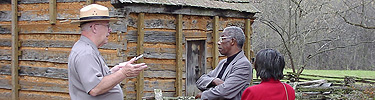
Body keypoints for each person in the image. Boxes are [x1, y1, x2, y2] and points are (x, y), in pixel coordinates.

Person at [68, 4, 147, 100]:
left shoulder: (87, 49)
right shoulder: (86, 53)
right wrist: (123, 73)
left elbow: (96, 81)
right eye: (107, 26)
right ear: (94, 28)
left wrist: (113, 72)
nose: (110, 30)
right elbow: (95, 88)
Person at [195, 26, 252, 100]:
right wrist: (214, 81)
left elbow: (224, 92)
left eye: (222, 38)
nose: (218, 42)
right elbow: (200, 81)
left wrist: (203, 94)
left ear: (232, 41)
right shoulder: (222, 63)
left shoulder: (243, 65)